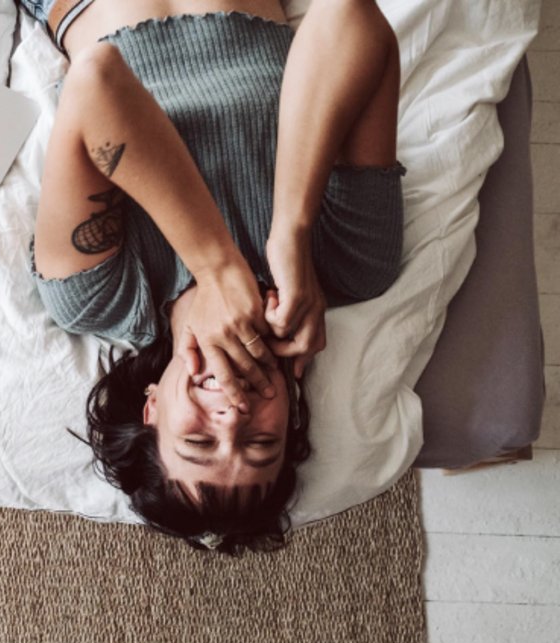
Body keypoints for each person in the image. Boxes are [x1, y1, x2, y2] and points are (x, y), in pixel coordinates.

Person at [26, 0, 404, 553]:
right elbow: (348, 14)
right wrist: (291, 232)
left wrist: (218, 268)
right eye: (261, 441)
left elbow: (96, 77)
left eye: (198, 439)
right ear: (293, 414)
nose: (233, 415)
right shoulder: (350, 266)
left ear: (152, 408)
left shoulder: (99, 299)